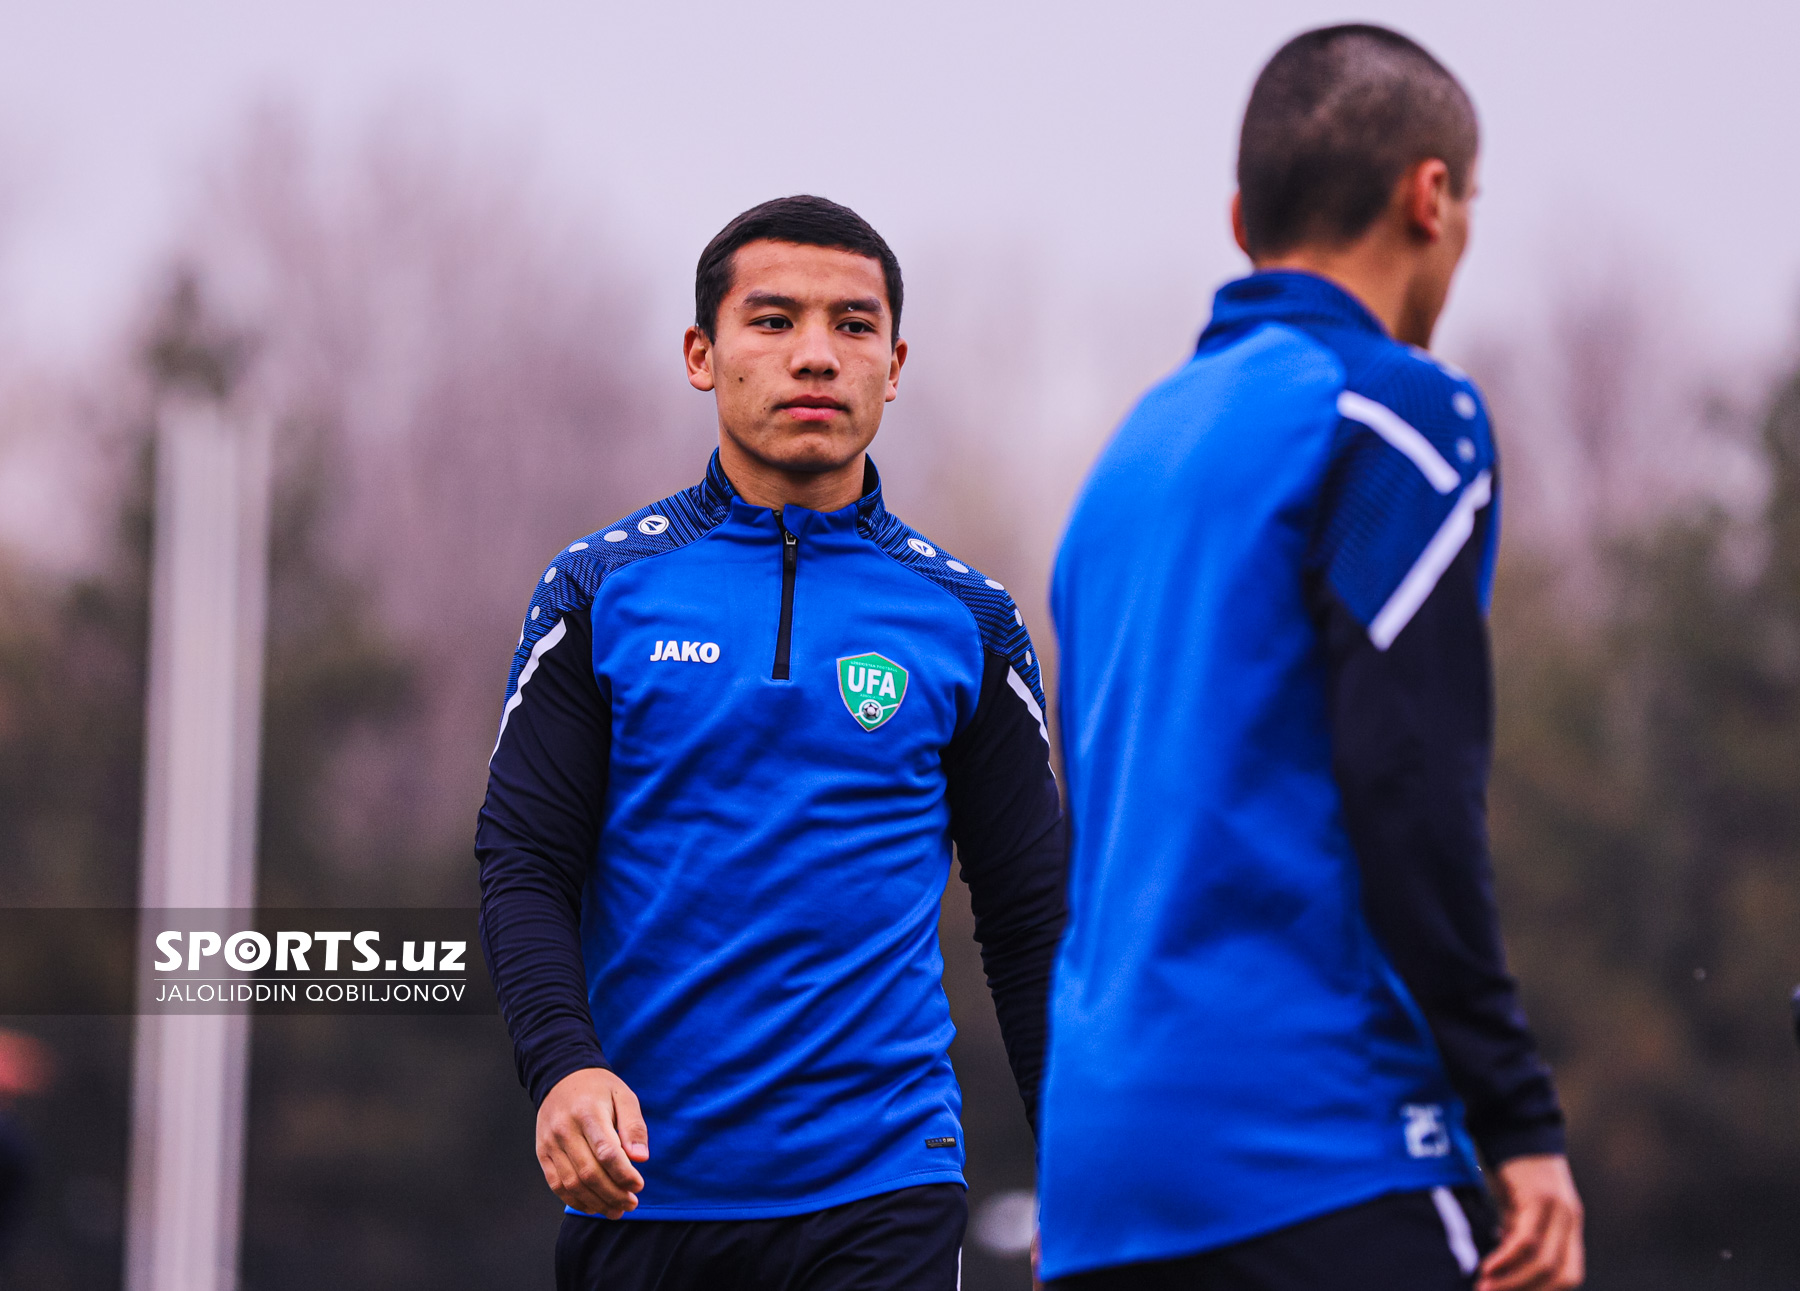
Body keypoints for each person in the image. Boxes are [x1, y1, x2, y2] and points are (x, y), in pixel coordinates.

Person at [1038, 25, 1583, 1291]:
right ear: (1431, 195)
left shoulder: (1128, 462)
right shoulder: (1395, 410)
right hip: (1319, 1145)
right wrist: (1518, 1115)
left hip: (1105, 1179)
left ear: (1242, 217)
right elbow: (1408, 776)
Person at [475, 194, 1065, 1291]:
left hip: (883, 1187)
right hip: (645, 1186)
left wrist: (1082, 1164)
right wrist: (562, 1068)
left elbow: (1029, 922)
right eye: (773, 319)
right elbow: (524, 865)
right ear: (702, 354)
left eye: (852, 325)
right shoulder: (599, 591)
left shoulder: (968, 622)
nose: (815, 356)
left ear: (895, 363)